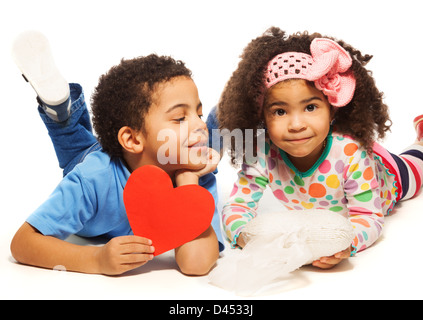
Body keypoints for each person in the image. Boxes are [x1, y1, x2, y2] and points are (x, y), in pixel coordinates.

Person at [10, 31, 223, 276]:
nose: (198, 123)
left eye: (199, 112)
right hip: (92, 159)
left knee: (205, 145)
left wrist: (188, 183)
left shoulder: (198, 178)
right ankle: (60, 112)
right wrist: (96, 259)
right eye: (179, 118)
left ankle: (227, 115)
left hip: (142, 154)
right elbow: (23, 243)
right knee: (77, 149)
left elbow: (195, 264)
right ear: (132, 139)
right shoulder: (92, 178)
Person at [216, 27, 423, 269]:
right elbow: (238, 205)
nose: (296, 125)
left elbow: (368, 217)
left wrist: (347, 243)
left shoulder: (351, 153)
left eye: (310, 107)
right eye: (280, 111)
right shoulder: (262, 153)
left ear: (331, 108)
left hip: (388, 175)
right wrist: (244, 235)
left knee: (416, 164)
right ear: (262, 116)